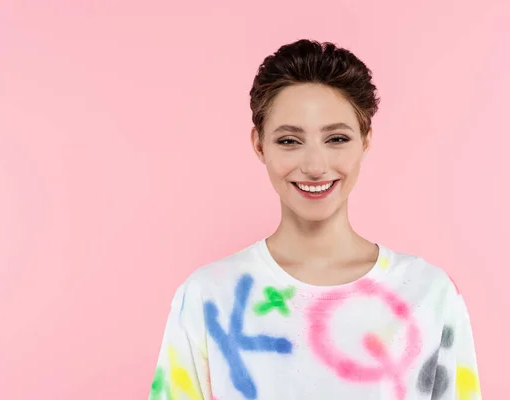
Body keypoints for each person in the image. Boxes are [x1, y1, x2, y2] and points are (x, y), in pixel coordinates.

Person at [147, 39, 481, 400]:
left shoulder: (429, 293)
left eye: (337, 138)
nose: (315, 166)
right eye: (289, 141)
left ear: (366, 140)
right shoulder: (207, 296)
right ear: (259, 145)